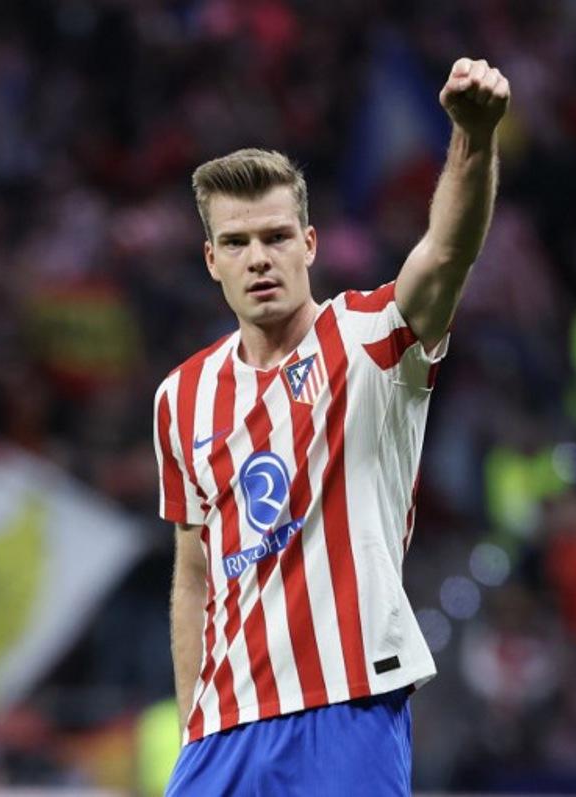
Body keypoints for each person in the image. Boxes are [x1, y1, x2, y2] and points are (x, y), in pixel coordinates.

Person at [152, 57, 510, 795]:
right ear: (210, 259)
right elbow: (193, 572)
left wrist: (474, 139)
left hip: (345, 707)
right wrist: (195, 717)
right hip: (221, 733)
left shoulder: (370, 340)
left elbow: (447, 251)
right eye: (238, 242)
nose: (260, 258)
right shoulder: (181, 396)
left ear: (310, 245)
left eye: (277, 237)